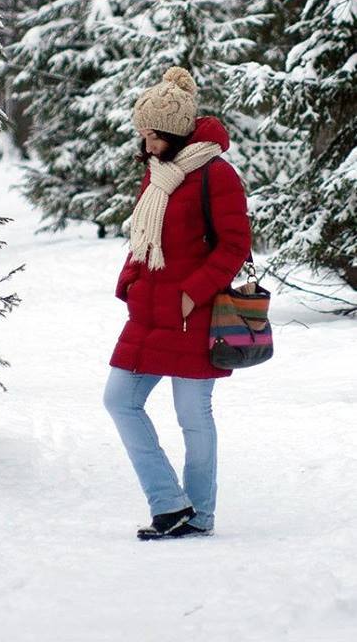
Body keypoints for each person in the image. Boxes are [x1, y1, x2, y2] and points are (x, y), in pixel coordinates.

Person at [103, 66, 251, 540]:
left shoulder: (215, 174)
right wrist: (130, 279)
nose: (145, 142)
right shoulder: (160, 174)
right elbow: (144, 237)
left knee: (193, 416)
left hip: (193, 315)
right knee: (119, 401)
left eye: (151, 133)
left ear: (173, 130)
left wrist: (192, 293)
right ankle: (169, 504)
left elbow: (235, 246)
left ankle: (199, 515)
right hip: (148, 313)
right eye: (141, 133)